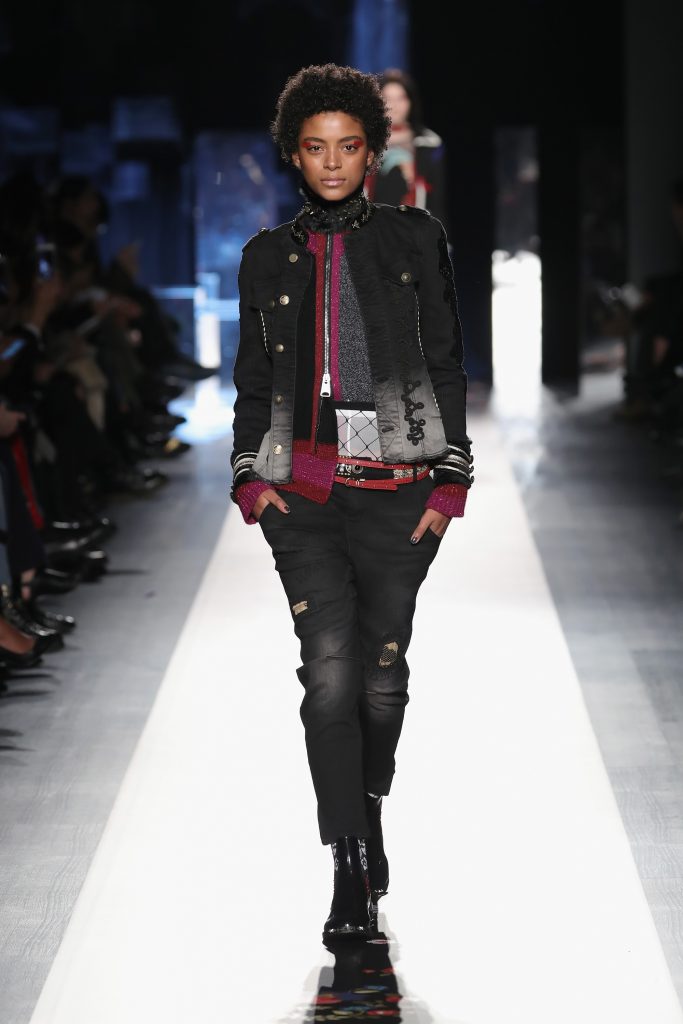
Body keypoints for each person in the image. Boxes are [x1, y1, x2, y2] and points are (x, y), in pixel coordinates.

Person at [229, 63, 474, 943]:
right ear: (293, 155)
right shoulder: (266, 256)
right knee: (329, 673)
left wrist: (452, 479)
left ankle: (366, 807)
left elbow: (444, 360)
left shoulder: (414, 238)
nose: (331, 162)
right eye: (314, 147)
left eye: (347, 146)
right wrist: (250, 481)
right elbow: (253, 382)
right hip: (302, 491)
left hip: (401, 490)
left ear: (372, 152)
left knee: (379, 680)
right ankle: (347, 861)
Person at [364, 66, 449, 230]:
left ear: (410, 102)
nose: (394, 105)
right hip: (371, 233)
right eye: (387, 98)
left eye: (401, 98)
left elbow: (437, 200)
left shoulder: (428, 143)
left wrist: (439, 241)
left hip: (414, 233)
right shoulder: (364, 142)